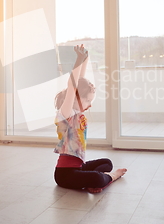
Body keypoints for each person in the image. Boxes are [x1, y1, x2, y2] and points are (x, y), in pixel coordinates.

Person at [53, 44, 127, 193]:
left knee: (107, 162)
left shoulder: (76, 111)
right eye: (88, 101)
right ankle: (110, 177)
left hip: (79, 168)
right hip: (65, 175)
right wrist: (78, 59)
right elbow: (73, 84)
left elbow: (80, 80)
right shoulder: (66, 113)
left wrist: (85, 59)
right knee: (98, 178)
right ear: (76, 98)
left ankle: (95, 180)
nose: (90, 105)